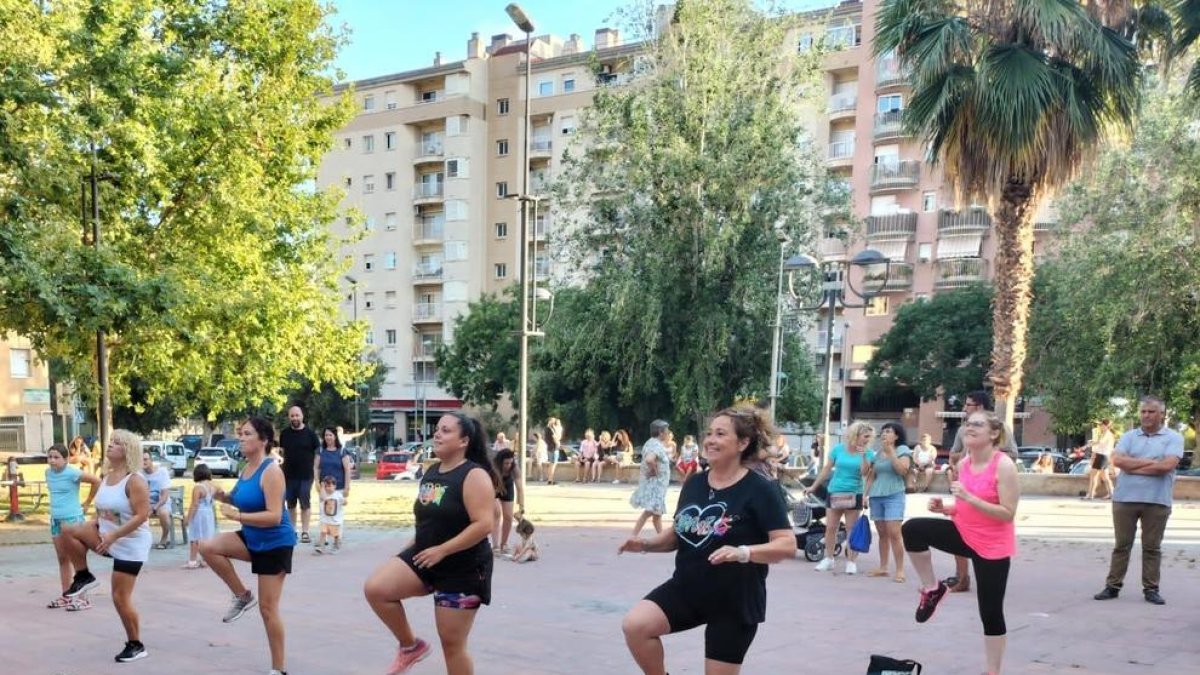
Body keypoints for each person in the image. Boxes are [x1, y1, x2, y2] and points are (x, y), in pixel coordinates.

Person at [619, 405, 795, 674]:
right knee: (636, 625)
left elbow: (786, 544)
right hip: (688, 589)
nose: (711, 440)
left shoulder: (761, 489)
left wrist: (743, 552)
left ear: (743, 443)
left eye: (721, 434)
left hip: (735, 601)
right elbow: (681, 532)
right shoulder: (695, 483)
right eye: (710, 433)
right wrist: (645, 545)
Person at [363, 412, 499, 675]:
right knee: (376, 589)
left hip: (463, 569)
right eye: (437, 429)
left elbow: (484, 525)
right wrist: (409, 548)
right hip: (427, 556)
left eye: (446, 431)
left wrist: (443, 550)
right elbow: (429, 520)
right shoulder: (432, 472)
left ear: (463, 441)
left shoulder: (474, 475)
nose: (437, 434)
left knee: (452, 645)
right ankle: (410, 646)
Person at [901, 411, 1019, 675]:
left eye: (978, 424)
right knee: (913, 529)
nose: (970, 427)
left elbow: (1007, 513)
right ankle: (932, 589)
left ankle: (992, 671)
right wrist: (946, 508)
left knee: (990, 612)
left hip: (992, 546)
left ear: (994, 434)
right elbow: (966, 507)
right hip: (964, 533)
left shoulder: (1004, 466)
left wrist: (968, 497)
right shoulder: (965, 464)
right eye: (968, 423)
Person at [200, 417, 296, 675]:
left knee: (268, 609)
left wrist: (237, 517)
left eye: (247, 434)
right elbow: (241, 499)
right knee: (207, 547)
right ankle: (242, 596)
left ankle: (279, 668)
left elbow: (274, 516)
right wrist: (221, 495)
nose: (241, 438)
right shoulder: (246, 468)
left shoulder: (271, 471)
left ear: (263, 440)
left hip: (275, 543)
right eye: (240, 433)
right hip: (253, 537)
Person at [59, 429, 153, 662]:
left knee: (120, 597)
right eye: (110, 442)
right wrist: (95, 522)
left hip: (131, 544)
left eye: (117, 443)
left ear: (128, 450)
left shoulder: (135, 480)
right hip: (106, 537)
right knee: (67, 530)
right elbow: (106, 510)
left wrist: (113, 536)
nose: (110, 446)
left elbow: (142, 516)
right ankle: (83, 576)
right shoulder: (106, 476)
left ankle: (136, 644)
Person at [1093, 396, 1183, 606]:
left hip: (1157, 501)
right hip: (1125, 499)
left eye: (1151, 412)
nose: (1146, 415)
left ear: (1162, 414)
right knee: (1122, 545)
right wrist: (1151, 463)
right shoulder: (1129, 436)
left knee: (1152, 547)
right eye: (1143, 411)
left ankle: (1151, 589)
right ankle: (1113, 586)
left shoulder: (1173, 437)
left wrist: (1132, 466)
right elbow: (1117, 460)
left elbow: (1166, 466)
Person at [946, 390, 1018, 593]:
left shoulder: (999, 429)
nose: (964, 409)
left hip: (988, 495)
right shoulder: (963, 431)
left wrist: (986, 456)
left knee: (991, 607)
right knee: (954, 525)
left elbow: (1012, 453)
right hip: (965, 485)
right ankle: (961, 576)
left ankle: (978, 575)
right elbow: (955, 452)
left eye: (968, 405)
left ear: (978, 406)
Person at [804, 421, 873, 575]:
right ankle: (828, 559)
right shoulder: (838, 450)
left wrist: (863, 456)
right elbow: (826, 470)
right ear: (856, 435)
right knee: (830, 527)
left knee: (851, 529)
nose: (867, 440)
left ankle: (851, 561)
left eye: (869, 437)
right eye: (865, 436)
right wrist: (813, 487)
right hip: (835, 491)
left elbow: (864, 473)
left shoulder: (868, 453)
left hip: (854, 492)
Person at [45, 443, 100, 611]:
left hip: (73, 520)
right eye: (50, 457)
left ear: (66, 459)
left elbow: (97, 481)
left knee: (78, 560)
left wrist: (88, 503)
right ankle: (66, 596)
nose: (52, 461)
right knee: (62, 559)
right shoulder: (48, 473)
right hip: (56, 521)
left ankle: (84, 599)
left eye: (56, 457)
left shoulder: (72, 473)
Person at [864, 422, 912, 582]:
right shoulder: (877, 454)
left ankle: (899, 570)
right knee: (882, 533)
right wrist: (865, 494)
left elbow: (902, 470)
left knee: (894, 533)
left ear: (896, 435)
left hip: (894, 494)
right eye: (883, 431)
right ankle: (883, 567)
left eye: (888, 431)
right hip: (876, 495)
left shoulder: (903, 450)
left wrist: (891, 452)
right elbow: (871, 476)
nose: (884, 434)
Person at [279, 404, 320, 544]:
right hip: (288, 476)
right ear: (289, 418)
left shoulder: (310, 434)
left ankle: (305, 532)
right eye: (292, 416)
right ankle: (292, 531)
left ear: (302, 416)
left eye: (297, 415)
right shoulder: (284, 434)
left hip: (306, 475)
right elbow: (282, 453)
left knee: (305, 504)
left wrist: (315, 470)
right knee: (290, 505)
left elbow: (317, 454)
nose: (295, 418)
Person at [630, 420, 672, 537]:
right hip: (656, 487)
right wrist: (655, 471)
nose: (668, 434)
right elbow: (649, 459)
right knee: (650, 512)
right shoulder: (656, 445)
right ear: (660, 432)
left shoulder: (650, 443)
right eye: (666, 431)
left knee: (656, 514)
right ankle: (634, 536)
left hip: (657, 487)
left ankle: (661, 537)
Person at [314, 426, 352, 521]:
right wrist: (317, 482)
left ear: (335, 436)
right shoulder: (320, 451)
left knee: (337, 515)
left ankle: (337, 535)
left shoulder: (342, 451)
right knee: (324, 513)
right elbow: (316, 467)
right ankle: (324, 534)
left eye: (330, 435)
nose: (328, 437)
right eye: (326, 435)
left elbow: (347, 469)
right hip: (324, 488)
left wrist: (347, 487)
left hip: (339, 487)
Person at [491, 447, 525, 555]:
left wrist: (521, 507)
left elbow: (520, 488)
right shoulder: (493, 467)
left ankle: (504, 544)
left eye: (510, 463)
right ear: (500, 462)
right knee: (496, 513)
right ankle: (495, 545)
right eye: (506, 463)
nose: (508, 466)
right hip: (493, 487)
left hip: (507, 487)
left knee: (508, 517)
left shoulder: (514, 468)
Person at [183, 464, 217, 569]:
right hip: (209, 513)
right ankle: (205, 560)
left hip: (199, 514)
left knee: (195, 537)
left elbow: (195, 504)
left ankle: (192, 561)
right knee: (207, 537)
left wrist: (188, 519)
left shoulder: (198, 488)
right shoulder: (213, 487)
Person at [142, 452, 173, 549]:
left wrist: (155, 508)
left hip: (161, 503)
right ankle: (139, 540)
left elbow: (165, 496)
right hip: (146, 504)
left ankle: (164, 539)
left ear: (151, 460)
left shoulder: (162, 472)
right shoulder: (139, 474)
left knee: (163, 513)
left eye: (146, 459)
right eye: (141, 460)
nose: (143, 462)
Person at [1085, 419, 1117, 500]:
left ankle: (1091, 495)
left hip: (1102, 456)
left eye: (1101, 425)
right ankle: (1111, 494)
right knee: (1104, 477)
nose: (1100, 426)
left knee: (1094, 475)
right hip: (1103, 456)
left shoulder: (1107, 434)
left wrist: (1090, 444)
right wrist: (1093, 442)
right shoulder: (1107, 434)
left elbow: (1100, 442)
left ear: (1106, 426)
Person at [314, 475, 345, 554]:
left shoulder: (338, 495)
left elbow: (343, 502)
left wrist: (344, 501)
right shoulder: (323, 495)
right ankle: (321, 547)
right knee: (323, 532)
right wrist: (322, 487)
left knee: (336, 535)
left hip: (335, 520)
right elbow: (324, 498)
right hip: (325, 520)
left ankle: (337, 545)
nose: (328, 488)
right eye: (326, 486)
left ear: (335, 486)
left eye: (330, 486)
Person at [545, 417, 564, 485]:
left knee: (551, 464)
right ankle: (550, 480)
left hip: (550, 448)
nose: (554, 422)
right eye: (552, 421)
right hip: (553, 448)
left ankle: (550, 479)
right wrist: (558, 443)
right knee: (553, 464)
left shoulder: (547, 429)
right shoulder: (550, 429)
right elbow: (555, 438)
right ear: (550, 421)